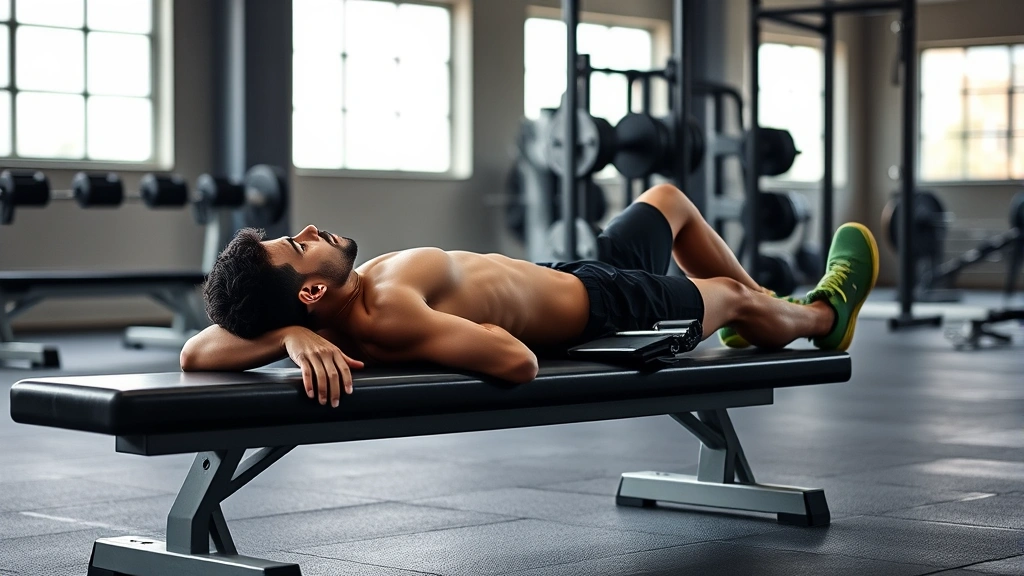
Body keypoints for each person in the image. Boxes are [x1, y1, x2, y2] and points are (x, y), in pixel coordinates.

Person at [181, 184, 878, 407]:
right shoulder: (387, 316)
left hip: (572, 270)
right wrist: (316, 337)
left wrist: (288, 337)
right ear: (310, 288)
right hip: (609, 307)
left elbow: (194, 350)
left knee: (666, 199)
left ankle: (764, 313)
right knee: (725, 292)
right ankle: (821, 315)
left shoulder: (340, 299)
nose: (307, 229)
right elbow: (517, 363)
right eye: (299, 245)